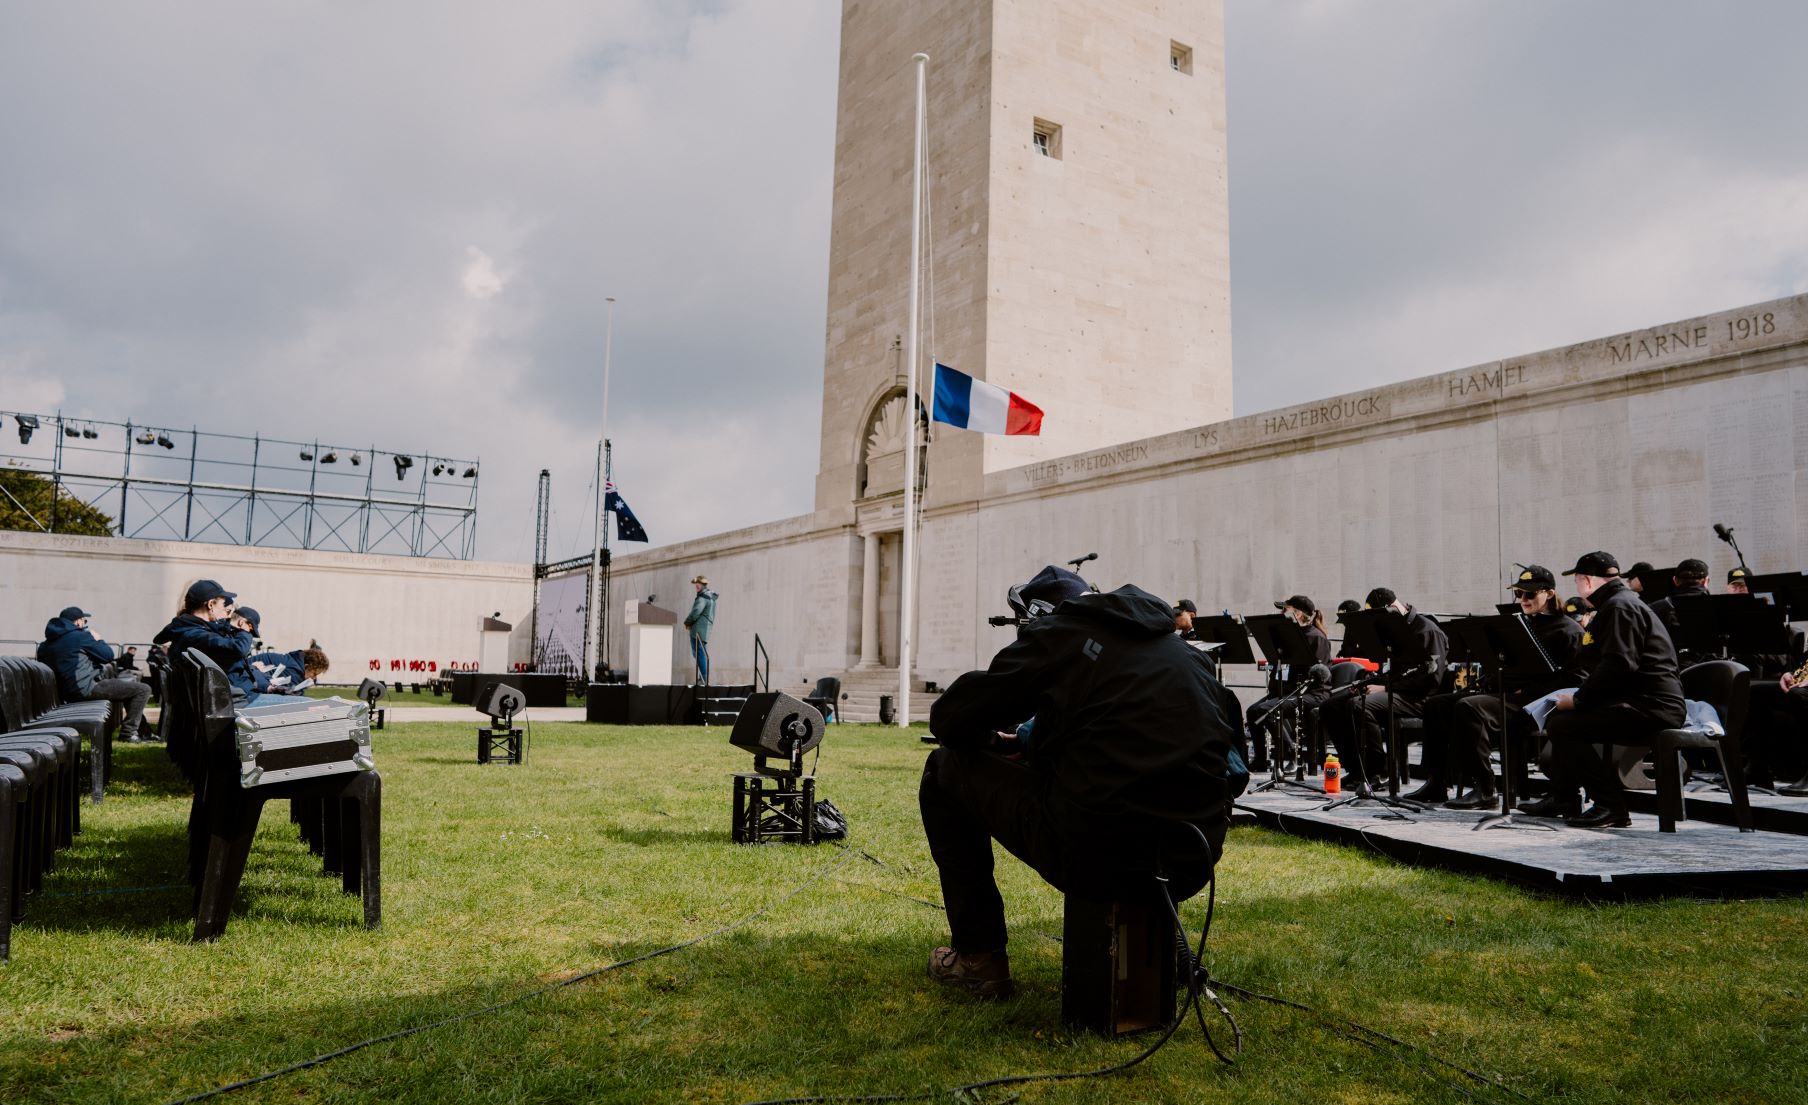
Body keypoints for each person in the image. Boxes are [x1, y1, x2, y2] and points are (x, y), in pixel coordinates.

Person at [919, 566, 1238, 998]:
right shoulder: (1186, 655)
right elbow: (1228, 769)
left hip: (1100, 856)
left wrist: (990, 741)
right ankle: (1161, 954)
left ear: (1038, 616)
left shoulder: (1060, 635)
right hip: (1192, 858)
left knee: (943, 769)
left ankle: (979, 957)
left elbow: (950, 719)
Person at [1523, 551, 1685, 827]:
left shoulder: (1619, 607)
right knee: (1562, 721)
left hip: (1653, 708)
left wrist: (1579, 700)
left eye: (1576, 581)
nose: (1577, 588)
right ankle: (1564, 796)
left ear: (1585, 580)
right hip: (1640, 701)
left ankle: (1610, 806)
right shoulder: (1618, 603)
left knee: (1565, 724)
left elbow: (1619, 665)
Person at [1405, 566, 1586, 808]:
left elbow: (1577, 679)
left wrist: (1531, 690)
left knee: (1470, 708)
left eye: (1530, 595)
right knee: (1437, 705)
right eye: (1519, 594)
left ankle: (1485, 788)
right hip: (1508, 695)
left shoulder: (1569, 630)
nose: (1523, 600)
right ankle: (1436, 782)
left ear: (1550, 594)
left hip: (1539, 703)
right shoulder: (1519, 625)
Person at [1324, 587, 1447, 791]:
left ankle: (1381, 771)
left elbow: (1431, 679)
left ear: (1392, 607)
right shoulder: (1391, 628)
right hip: (1394, 691)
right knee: (1331, 706)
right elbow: (1390, 669)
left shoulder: (1427, 630)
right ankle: (1357, 770)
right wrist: (1365, 684)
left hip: (1419, 697)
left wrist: (1384, 688)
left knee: (1360, 706)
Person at [152, 580, 285, 708]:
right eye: (222, 605)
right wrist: (245, 630)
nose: (225, 612)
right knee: (303, 705)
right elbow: (237, 649)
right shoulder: (196, 635)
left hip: (224, 701)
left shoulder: (188, 630)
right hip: (230, 704)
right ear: (211, 604)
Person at [37, 605, 153, 744]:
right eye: (84, 621)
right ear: (78, 622)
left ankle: (144, 731)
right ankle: (129, 733)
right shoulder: (80, 636)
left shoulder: (45, 644)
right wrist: (97, 639)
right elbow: (108, 655)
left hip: (63, 694)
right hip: (85, 690)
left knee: (129, 688)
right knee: (143, 689)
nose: (84, 625)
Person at [1245, 594, 1333, 771]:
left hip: (1311, 694)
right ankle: (1261, 760)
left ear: (1298, 614)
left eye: (1285, 609)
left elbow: (1317, 675)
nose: (1281, 613)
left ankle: (1291, 750)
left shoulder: (1316, 637)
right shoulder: (1289, 636)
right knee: (1253, 712)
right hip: (1288, 691)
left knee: (1266, 711)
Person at [251, 647, 330, 695]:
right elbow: (290, 693)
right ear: (307, 666)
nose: (314, 677)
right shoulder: (294, 670)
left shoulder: (291, 661)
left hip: (249, 682)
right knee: (303, 703)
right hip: (245, 687)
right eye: (314, 673)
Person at [684, 575, 717, 685]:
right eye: (696, 584)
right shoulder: (710, 597)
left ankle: (704, 678)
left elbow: (695, 613)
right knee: (700, 653)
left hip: (698, 630)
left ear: (703, 585)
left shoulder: (702, 598)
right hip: (705, 629)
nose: (696, 586)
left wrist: (687, 622)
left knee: (698, 653)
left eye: (699, 584)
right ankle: (703, 677)